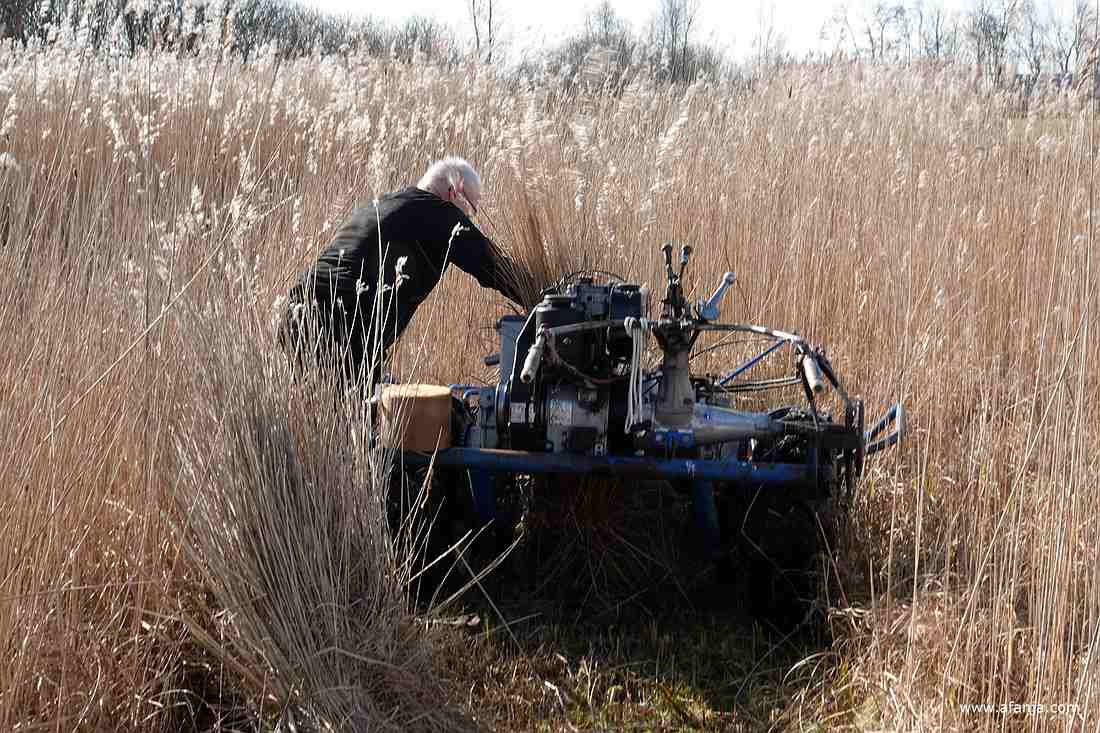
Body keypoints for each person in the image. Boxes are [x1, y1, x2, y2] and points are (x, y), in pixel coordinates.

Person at [282, 157, 529, 388]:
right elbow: (493, 266)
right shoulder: (438, 210)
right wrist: (538, 295)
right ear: (453, 192)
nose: (468, 219)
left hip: (296, 313)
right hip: (340, 324)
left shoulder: (378, 205)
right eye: (471, 210)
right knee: (366, 413)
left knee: (334, 409)